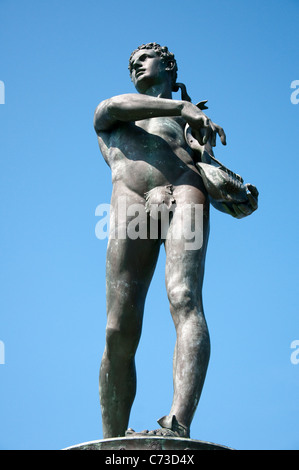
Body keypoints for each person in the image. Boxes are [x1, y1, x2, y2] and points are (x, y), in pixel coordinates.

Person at [93, 43, 228, 439]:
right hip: (131, 203)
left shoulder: (191, 123)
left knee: (184, 297)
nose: (135, 65)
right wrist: (182, 109)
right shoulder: (112, 117)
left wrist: (198, 134)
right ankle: (111, 436)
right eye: (131, 63)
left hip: (183, 191)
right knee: (118, 327)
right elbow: (113, 106)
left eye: (144, 58)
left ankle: (179, 421)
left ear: (168, 65)